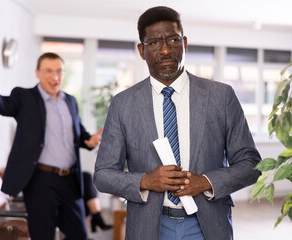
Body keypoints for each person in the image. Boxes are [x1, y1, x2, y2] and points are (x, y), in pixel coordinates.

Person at [93, 6, 262, 240]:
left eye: (173, 40)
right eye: (154, 42)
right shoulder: (123, 104)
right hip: (149, 226)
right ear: (142, 51)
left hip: (207, 225)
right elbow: (103, 174)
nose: (164, 50)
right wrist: (146, 180)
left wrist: (205, 182)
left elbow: (251, 164)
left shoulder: (221, 96)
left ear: (184, 43)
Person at [0, 52, 103, 240]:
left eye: (59, 71)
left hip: (69, 180)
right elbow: (2, 104)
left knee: (80, 235)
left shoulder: (70, 101)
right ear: (37, 73)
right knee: (43, 235)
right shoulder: (25, 97)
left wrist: (89, 141)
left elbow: (78, 133)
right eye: (48, 71)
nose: (54, 76)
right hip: (40, 181)